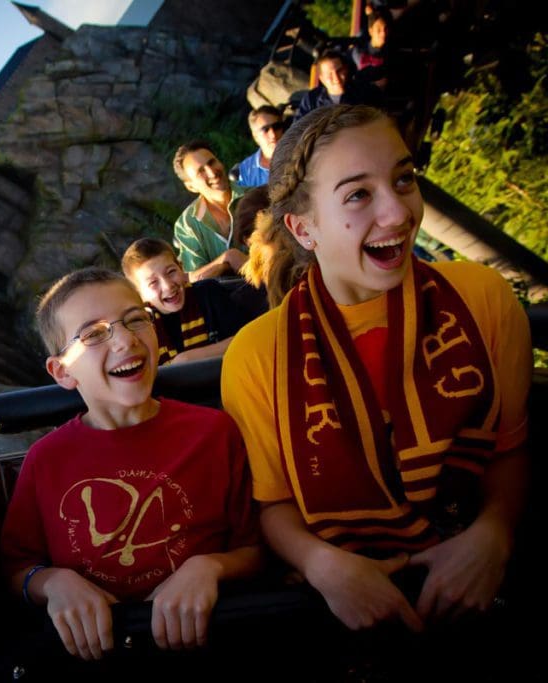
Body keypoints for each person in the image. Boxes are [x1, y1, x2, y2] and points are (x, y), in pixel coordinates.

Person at [222, 105, 531, 634]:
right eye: (359, 195)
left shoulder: (483, 297)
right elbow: (274, 506)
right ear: (304, 227)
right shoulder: (257, 355)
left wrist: (493, 533)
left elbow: (510, 445)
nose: (399, 212)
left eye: (404, 179)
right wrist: (323, 566)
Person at [1, 267, 261, 661]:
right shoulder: (45, 460)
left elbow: (254, 550)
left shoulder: (215, 432)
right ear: (63, 371)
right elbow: (17, 568)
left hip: (216, 638)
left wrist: (208, 568)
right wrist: (53, 582)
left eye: (136, 318)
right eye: (93, 334)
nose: (125, 340)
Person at [122, 237, 265, 364]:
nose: (167, 285)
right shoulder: (140, 326)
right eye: (153, 282)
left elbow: (248, 337)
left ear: (181, 268)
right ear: (139, 293)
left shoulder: (208, 292)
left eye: (171, 272)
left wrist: (188, 359)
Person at [171, 140, 247, 280]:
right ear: (191, 187)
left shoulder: (255, 196)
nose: (212, 172)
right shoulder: (187, 225)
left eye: (212, 162)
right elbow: (195, 278)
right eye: (201, 171)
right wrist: (227, 259)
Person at [293, 50, 383, 121]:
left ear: (346, 70)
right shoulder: (311, 99)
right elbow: (297, 131)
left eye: (339, 71)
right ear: (322, 78)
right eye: (329, 74)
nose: (336, 78)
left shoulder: (364, 91)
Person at [235, 106, 285, 188]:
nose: (272, 135)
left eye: (276, 127)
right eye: (265, 130)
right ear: (255, 136)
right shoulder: (246, 171)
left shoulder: (299, 155)